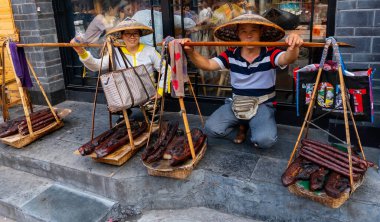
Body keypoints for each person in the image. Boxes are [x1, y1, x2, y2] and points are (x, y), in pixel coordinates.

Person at [180, 13, 303, 149]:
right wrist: (191, 52)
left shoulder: (271, 53)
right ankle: (242, 127)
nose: (248, 36)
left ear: (261, 32)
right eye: (243, 31)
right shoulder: (231, 53)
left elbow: (287, 58)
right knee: (211, 129)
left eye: (253, 31)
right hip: (236, 102)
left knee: (265, 141)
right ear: (238, 34)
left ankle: (254, 127)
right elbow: (208, 65)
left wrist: (293, 46)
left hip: (262, 104)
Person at [70, 18, 170, 120]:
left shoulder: (150, 51)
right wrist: (81, 51)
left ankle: (152, 115)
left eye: (135, 33)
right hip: (126, 93)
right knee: (113, 101)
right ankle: (124, 115)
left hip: (147, 92)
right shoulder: (115, 53)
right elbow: (96, 66)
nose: (132, 37)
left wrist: (160, 91)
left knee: (153, 108)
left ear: (139, 35)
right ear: (121, 36)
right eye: (127, 34)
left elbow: (167, 69)